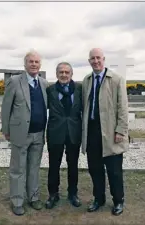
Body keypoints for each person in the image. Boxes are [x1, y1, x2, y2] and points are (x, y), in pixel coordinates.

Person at [81, 48, 129, 216]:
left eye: (98, 58)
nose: (96, 61)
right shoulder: (87, 80)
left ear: (104, 59)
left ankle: (118, 201)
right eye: (92, 58)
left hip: (111, 132)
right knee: (95, 169)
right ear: (89, 61)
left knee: (114, 170)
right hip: (92, 131)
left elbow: (123, 108)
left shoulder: (116, 79)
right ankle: (98, 198)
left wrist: (121, 130)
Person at [1, 50, 48, 216]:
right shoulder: (14, 82)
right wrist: (6, 130)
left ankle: (33, 198)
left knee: (34, 168)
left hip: (39, 134)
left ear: (40, 64)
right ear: (25, 64)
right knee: (18, 168)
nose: (34, 64)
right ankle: (17, 201)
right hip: (20, 133)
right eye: (31, 61)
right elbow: (6, 107)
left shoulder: (43, 83)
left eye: (36, 62)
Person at [45, 62, 82, 209]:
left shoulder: (79, 89)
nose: (64, 75)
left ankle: (73, 194)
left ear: (71, 74)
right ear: (56, 74)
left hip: (74, 132)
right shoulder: (50, 90)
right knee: (54, 165)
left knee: (73, 165)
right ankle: (53, 194)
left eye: (67, 72)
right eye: (61, 72)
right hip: (55, 133)